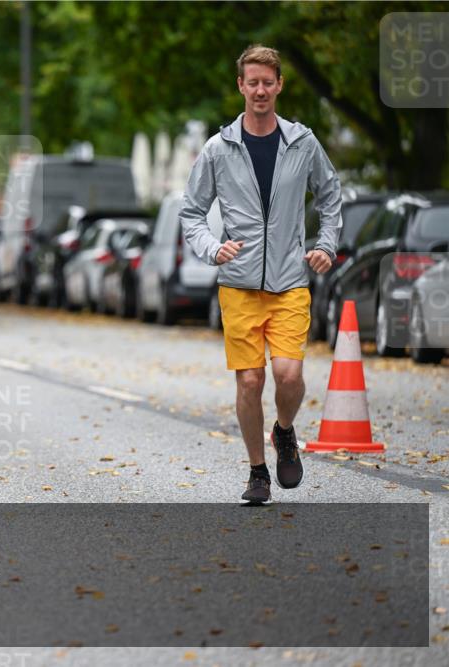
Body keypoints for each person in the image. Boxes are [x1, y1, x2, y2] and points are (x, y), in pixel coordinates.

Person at [180, 45, 341, 505]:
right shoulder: (219, 147)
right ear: (241, 86)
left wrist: (325, 244)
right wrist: (213, 248)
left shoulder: (302, 142)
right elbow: (191, 212)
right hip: (238, 283)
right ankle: (257, 472)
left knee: (288, 377)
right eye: (252, 82)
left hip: (291, 280)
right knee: (250, 381)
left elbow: (330, 197)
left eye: (268, 82)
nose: (260, 90)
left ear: (279, 85)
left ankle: (284, 431)